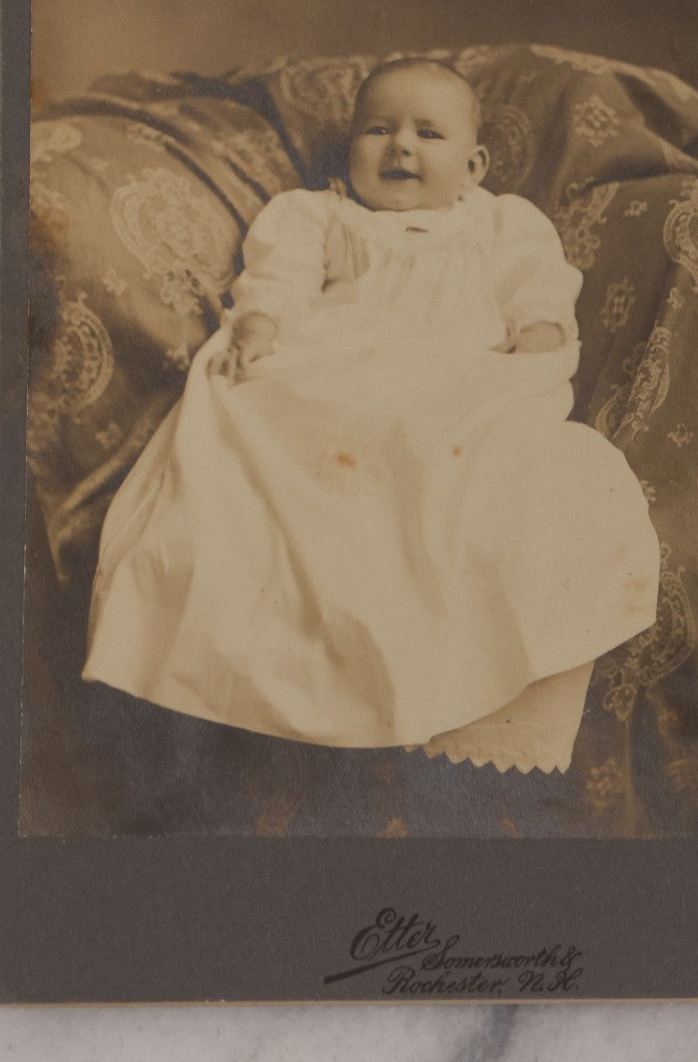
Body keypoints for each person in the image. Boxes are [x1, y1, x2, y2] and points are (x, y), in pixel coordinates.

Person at [83, 58, 660, 775]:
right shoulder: (319, 215)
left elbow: (537, 296)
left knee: (494, 473)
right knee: (257, 439)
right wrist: (260, 325)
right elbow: (280, 281)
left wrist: (538, 334)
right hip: (336, 372)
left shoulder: (501, 224)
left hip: (453, 380)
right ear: (350, 147)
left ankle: (433, 660)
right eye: (378, 129)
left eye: (428, 133)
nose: (401, 147)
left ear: (474, 164)